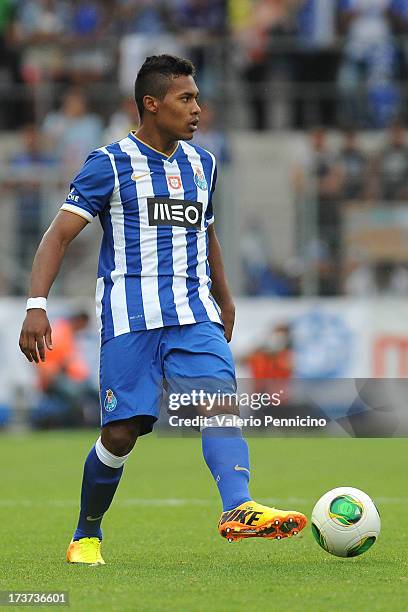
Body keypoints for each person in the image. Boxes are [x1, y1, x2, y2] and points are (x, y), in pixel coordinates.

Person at [19, 54, 306, 566]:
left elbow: (207, 230)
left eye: (197, 97)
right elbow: (58, 235)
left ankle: (238, 508)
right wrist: (36, 306)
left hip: (193, 313)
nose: (198, 108)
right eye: (186, 99)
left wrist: (225, 295)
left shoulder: (204, 162)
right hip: (131, 318)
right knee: (121, 433)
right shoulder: (108, 163)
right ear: (152, 105)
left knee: (219, 402)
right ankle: (87, 533)